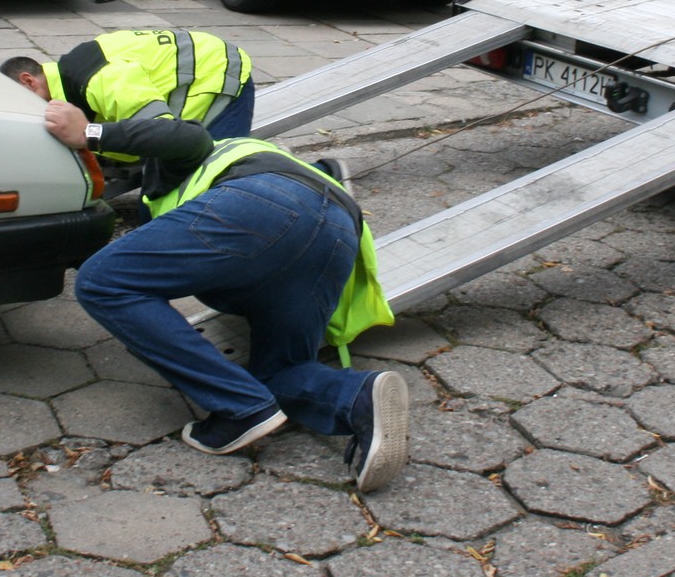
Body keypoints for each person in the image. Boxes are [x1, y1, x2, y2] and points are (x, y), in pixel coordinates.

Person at [43, 101, 408, 489]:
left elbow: (185, 133)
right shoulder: (274, 159)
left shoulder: (194, 154)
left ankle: (241, 408)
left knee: (103, 280)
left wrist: (90, 133)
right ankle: (356, 397)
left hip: (261, 207)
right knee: (279, 372)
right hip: (338, 235)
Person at [1, 29, 258, 144]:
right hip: (200, 60)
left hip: (220, 71)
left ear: (28, 81)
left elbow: (165, 134)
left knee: (212, 182)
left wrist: (89, 134)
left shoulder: (105, 80)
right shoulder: (72, 77)